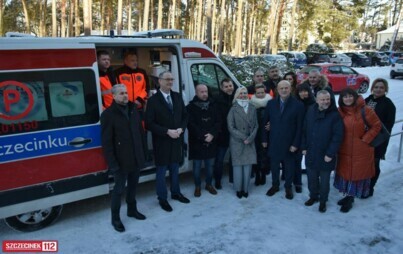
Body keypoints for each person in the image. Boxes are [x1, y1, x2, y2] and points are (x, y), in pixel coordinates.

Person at [101, 84, 147, 233]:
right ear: (113, 96)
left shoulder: (133, 109)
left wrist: (143, 154)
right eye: (121, 93)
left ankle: (132, 210)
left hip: (135, 157)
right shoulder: (108, 114)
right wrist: (113, 164)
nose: (125, 96)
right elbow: (107, 142)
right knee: (118, 190)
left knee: (133, 187)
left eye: (126, 93)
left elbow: (141, 134)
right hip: (120, 161)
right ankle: (115, 218)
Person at [145, 71, 190, 212]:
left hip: (176, 139)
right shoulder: (153, 101)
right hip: (162, 142)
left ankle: (176, 193)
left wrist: (181, 129)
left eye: (172, 79)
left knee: (175, 169)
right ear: (160, 81)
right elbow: (149, 124)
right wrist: (166, 131)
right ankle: (162, 198)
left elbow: (185, 116)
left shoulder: (177, 96)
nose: (170, 82)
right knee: (161, 171)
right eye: (167, 79)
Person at [335, 88, 381, 213]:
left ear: (355, 97)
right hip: (344, 149)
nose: (348, 99)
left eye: (350, 96)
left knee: (355, 176)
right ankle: (347, 196)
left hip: (361, 149)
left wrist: (366, 139)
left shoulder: (365, 110)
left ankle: (350, 199)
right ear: (341, 99)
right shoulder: (340, 111)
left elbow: (377, 125)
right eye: (345, 96)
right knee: (346, 174)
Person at [301, 90, 344, 213]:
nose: (325, 102)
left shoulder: (335, 115)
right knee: (311, 178)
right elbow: (304, 130)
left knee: (324, 181)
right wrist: (303, 147)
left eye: (328, 99)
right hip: (311, 152)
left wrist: (330, 153)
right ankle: (313, 196)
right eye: (323, 99)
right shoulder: (310, 110)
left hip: (326, 155)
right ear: (316, 100)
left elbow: (337, 136)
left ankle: (323, 201)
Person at [262, 80, 304, 200]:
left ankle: (288, 187)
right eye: (281, 88)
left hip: (289, 143)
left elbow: (300, 127)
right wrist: (264, 139)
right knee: (274, 166)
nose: (284, 90)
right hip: (274, 141)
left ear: (290, 89)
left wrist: (295, 144)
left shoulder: (298, 105)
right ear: (277, 90)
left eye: (286, 88)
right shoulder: (271, 104)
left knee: (289, 167)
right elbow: (265, 122)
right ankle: (275, 185)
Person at [187, 84, 221, 197]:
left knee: (210, 167)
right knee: (196, 168)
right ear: (196, 93)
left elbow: (218, 122)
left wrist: (212, 134)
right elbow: (191, 125)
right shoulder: (190, 107)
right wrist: (203, 135)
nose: (204, 94)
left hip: (211, 141)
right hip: (197, 142)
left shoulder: (214, 105)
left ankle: (209, 184)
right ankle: (197, 186)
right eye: (201, 92)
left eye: (205, 91)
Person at [364, 78, 396, 197]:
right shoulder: (367, 100)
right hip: (364, 139)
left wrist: (374, 134)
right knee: (365, 163)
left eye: (381, 87)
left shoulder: (388, 104)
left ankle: (370, 188)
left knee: (374, 164)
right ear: (372, 88)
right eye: (376, 87)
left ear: (385, 90)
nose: (378, 90)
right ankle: (363, 184)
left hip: (378, 140)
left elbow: (388, 126)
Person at [227, 86, 258, 198]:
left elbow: (256, 125)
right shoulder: (233, 108)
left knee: (247, 167)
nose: (243, 95)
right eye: (241, 93)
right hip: (237, 142)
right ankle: (238, 189)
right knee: (238, 168)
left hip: (249, 141)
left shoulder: (252, 107)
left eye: (245, 93)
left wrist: (250, 138)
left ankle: (245, 189)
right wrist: (243, 137)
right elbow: (230, 127)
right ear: (237, 95)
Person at [293, 83, 316, 188]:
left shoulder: (314, 104)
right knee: (297, 160)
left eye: (305, 91)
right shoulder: (295, 103)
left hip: (310, 136)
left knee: (311, 161)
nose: (303, 93)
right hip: (298, 134)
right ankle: (297, 182)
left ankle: (314, 183)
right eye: (301, 91)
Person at [214, 78, 235, 189]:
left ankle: (234, 178)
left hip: (235, 134)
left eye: (230, 85)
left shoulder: (236, 98)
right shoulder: (217, 100)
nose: (229, 88)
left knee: (234, 158)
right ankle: (217, 180)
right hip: (223, 134)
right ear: (222, 88)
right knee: (220, 159)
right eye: (226, 86)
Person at [249, 84, 272, 185]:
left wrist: (272, 123)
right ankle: (257, 173)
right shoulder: (251, 104)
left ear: (265, 92)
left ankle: (263, 174)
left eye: (262, 92)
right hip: (254, 133)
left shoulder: (271, 103)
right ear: (255, 93)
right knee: (255, 154)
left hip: (266, 133)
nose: (260, 94)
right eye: (258, 93)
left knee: (264, 155)